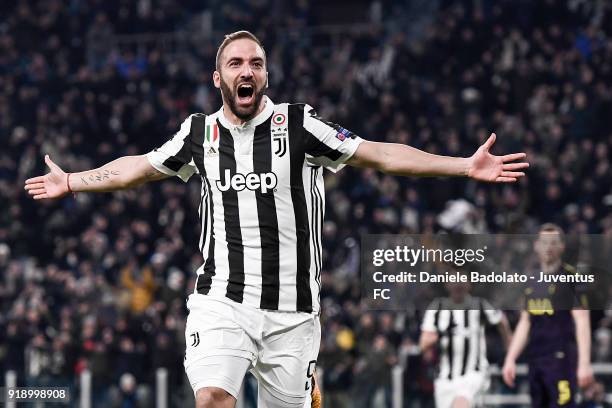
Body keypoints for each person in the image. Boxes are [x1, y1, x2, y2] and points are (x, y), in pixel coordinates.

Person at [25, 30, 528, 408]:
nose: (247, 70)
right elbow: (138, 167)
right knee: (214, 398)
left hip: (294, 312)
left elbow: (379, 154)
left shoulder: (300, 124)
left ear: (265, 75)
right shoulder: (198, 133)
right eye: (236, 63)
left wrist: (463, 165)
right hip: (222, 299)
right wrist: (72, 181)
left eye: (256, 64)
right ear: (217, 76)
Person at [502, 224, 594, 407]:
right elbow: (525, 322)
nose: (548, 247)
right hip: (536, 360)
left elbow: (582, 320)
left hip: (561, 360)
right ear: (536, 246)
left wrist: (584, 363)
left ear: (562, 247)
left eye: (553, 243)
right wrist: (510, 358)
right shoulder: (531, 281)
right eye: (544, 242)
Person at [420, 277, 512, 408]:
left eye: (462, 279)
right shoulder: (437, 307)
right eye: (454, 279)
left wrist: (510, 353)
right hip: (444, 379)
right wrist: (442, 333)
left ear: (469, 284)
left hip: (473, 374)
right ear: (447, 284)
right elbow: (423, 344)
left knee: (460, 404)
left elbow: (501, 320)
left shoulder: (479, 305)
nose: (458, 283)